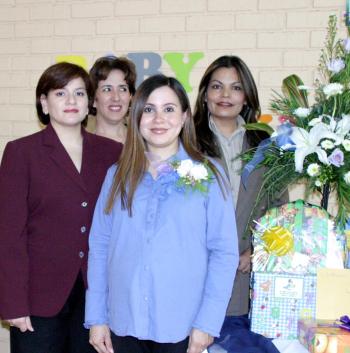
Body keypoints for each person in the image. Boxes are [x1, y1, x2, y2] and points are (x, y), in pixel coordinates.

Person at [85, 74, 239, 353]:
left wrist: (207, 324)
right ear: (136, 117)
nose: (159, 119)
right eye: (149, 109)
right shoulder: (117, 176)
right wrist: (96, 317)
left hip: (183, 326)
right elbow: (100, 247)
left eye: (169, 109)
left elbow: (224, 253)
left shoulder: (209, 175)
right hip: (123, 323)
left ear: (184, 117)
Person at [0, 62, 122, 353]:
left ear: (89, 102)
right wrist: (13, 302)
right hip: (38, 296)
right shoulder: (21, 152)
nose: (71, 101)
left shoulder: (111, 153)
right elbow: (9, 234)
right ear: (44, 102)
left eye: (79, 93)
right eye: (60, 93)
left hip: (96, 295)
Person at [193, 55, 282, 319]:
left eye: (236, 87)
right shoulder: (186, 141)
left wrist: (257, 250)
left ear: (246, 97)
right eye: (217, 86)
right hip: (195, 271)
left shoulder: (265, 143)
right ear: (205, 94)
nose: (225, 95)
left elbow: (279, 208)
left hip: (246, 270)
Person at [89, 55, 136, 143]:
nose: (116, 97)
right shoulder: (81, 148)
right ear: (94, 99)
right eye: (107, 89)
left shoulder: (145, 144)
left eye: (122, 89)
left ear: (130, 96)